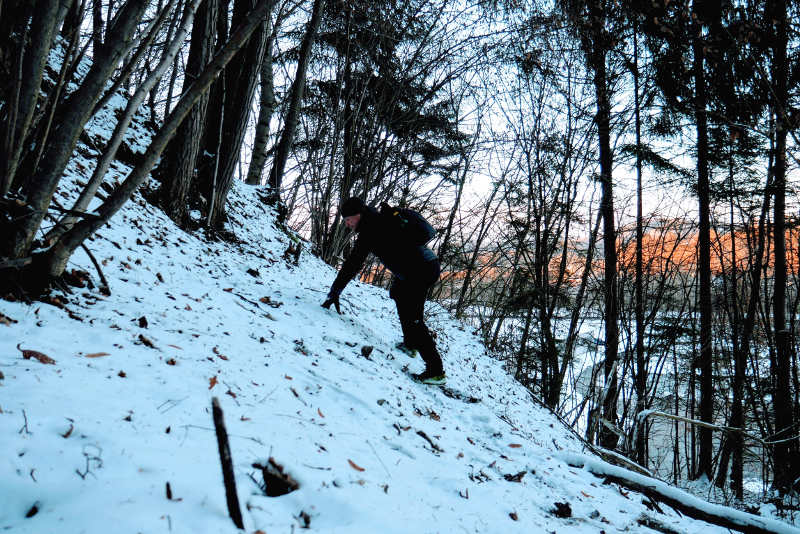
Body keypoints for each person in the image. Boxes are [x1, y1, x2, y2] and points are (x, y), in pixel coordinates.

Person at [322, 196, 446, 385]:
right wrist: (335, 290)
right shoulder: (375, 222)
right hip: (417, 268)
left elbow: (352, 264)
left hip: (422, 270)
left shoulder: (372, 229)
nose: (347, 225)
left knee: (415, 319)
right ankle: (410, 344)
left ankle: (436, 371)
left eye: (348, 220)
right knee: (398, 293)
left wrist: (335, 291)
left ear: (358, 215)